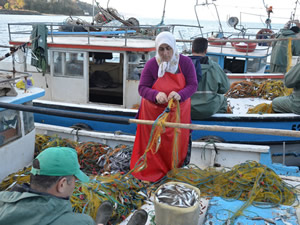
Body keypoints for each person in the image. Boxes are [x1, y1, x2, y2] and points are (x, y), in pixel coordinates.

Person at [0, 147, 148, 225]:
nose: (76, 184)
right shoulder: (78, 222)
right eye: (75, 179)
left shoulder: (2, 201)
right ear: (62, 184)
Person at [130, 31, 198, 182]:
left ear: (174, 47)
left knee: (175, 145)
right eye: (161, 49)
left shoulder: (185, 63)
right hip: (153, 115)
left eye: (168, 48)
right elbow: (142, 88)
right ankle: (151, 172)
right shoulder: (151, 65)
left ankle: (173, 171)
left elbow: (193, 85)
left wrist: (181, 94)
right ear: (157, 49)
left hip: (178, 113)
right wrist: (155, 94)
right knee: (153, 146)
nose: (165, 53)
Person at [189, 37, 230, 120]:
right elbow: (225, 89)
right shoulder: (215, 67)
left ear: (192, 49)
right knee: (223, 100)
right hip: (208, 109)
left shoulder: (181, 66)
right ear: (206, 50)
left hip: (186, 108)